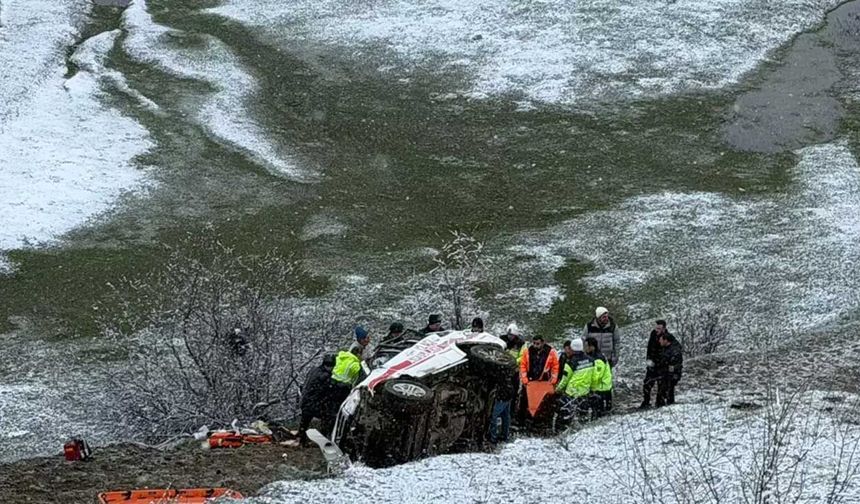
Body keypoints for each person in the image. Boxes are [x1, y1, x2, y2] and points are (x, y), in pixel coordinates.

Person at [298, 354, 336, 446]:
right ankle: (324, 439)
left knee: (304, 422)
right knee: (329, 416)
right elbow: (330, 389)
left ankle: (301, 439)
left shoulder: (314, 370)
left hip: (305, 400)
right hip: (313, 403)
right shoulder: (325, 376)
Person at [557, 339, 595, 424]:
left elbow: (564, 380)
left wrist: (558, 389)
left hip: (572, 392)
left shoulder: (570, 362)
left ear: (572, 348)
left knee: (565, 414)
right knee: (583, 414)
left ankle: (563, 429)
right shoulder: (591, 360)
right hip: (584, 391)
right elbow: (593, 377)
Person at [641, 320, 671, 409]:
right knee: (647, 384)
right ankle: (646, 401)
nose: (657, 330)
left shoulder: (667, 337)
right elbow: (649, 348)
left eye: (659, 328)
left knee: (662, 385)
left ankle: (660, 402)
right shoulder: (653, 334)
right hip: (652, 363)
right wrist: (649, 360)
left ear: (664, 329)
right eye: (656, 328)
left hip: (662, 365)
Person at [488, 362, 518, 444]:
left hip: (503, 395)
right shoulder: (505, 369)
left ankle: (493, 437)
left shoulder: (497, 372)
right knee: (505, 416)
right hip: (508, 393)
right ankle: (505, 435)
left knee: (493, 416)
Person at [330, 342, 365, 407]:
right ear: (358, 354)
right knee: (339, 403)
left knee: (331, 401)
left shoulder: (341, 357)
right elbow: (362, 375)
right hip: (342, 386)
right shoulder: (354, 364)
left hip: (331, 381)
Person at [584, 336, 613, 415]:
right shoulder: (595, 356)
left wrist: (590, 388)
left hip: (602, 389)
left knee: (599, 413)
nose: (585, 348)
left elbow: (596, 376)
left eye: (586, 346)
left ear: (592, 347)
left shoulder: (598, 359)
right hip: (602, 388)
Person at [655, 331, 683, 407]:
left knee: (666, 392)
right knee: (664, 392)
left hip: (670, 375)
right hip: (666, 374)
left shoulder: (674, 351)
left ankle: (667, 406)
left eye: (661, 340)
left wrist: (669, 373)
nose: (659, 341)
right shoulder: (666, 349)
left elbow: (674, 364)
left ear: (666, 340)